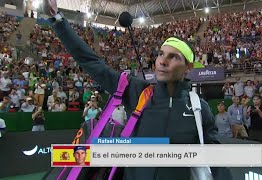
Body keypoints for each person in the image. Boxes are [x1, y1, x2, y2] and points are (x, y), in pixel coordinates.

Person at [43, 1, 232, 179]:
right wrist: (58, 20)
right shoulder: (137, 91)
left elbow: (217, 164)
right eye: (160, 54)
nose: (162, 61)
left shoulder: (200, 109)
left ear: (188, 67)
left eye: (173, 57)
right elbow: (92, 62)